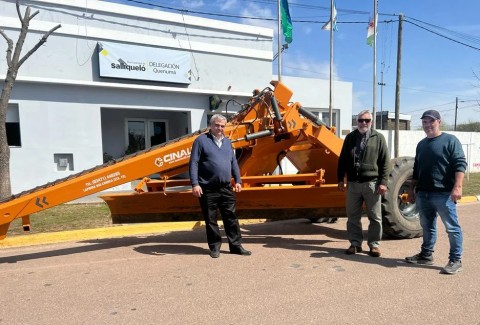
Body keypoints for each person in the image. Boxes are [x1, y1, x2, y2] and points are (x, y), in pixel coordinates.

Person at [405, 110, 467, 274]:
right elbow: (416, 170)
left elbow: (460, 164)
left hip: (444, 194)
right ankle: (426, 255)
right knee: (427, 226)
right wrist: (412, 190)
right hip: (423, 193)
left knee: (452, 228)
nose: (427, 125)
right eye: (424, 122)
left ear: (438, 122)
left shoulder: (450, 140)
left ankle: (455, 259)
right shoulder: (422, 144)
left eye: (430, 121)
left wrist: (458, 186)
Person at [189, 114, 251, 258]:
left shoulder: (228, 142)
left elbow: (233, 163)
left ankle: (236, 246)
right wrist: (195, 184)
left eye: (222, 126)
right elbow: (193, 163)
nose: (220, 128)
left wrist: (238, 180)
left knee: (231, 217)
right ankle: (215, 247)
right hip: (207, 188)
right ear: (211, 125)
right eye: (217, 125)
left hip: (226, 187)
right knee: (211, 219)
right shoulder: (201, 141)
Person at [337, 110, 389, 257]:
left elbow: (385, 162)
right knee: (353, 216)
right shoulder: (350, 138)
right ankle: (355, 244)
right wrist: (340, 179)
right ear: (356, 121)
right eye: (361, 120)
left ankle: (374, 245)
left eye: (367, 120)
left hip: (372, 184)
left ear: (371, 122)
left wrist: (383, 182)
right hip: (353, 184)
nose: (363, 123)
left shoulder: (378, 138)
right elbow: (342, 160)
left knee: (375, 217)